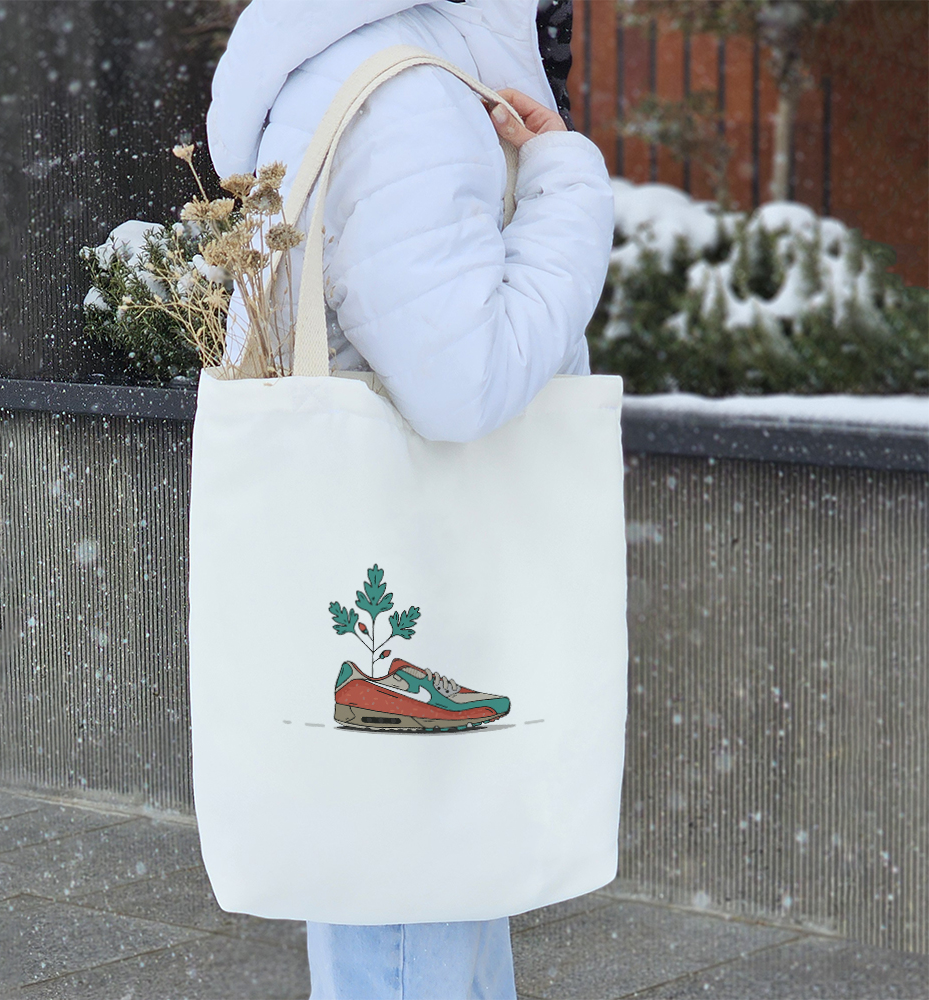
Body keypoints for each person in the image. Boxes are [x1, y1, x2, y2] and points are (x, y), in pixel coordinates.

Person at [206, 1, 614, 996]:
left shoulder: (358, 61)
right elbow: (461, 384)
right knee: (412, 907)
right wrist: (566, 185)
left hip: (389, 561)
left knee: (416, 877)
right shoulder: (408, 95)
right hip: (427, 563)